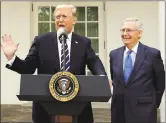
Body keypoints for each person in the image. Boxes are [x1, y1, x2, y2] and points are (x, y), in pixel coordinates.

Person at [1, 4, 107, 123]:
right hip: (46, 108)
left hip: (78, 106)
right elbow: (27, 68)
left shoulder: (83, 42)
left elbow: (94, 61)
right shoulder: (41, 41)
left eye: (64, 16)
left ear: (74, 20)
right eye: (57, 17)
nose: (60, 20)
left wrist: (103, 78)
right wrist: (11, 57)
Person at [109, 17, 165, 123]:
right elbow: (115, 80)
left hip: (144, 112)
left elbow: (160, 84)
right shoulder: (114, 54)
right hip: (119, 112)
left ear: (139, 33)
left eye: (129, 30)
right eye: (123, 30)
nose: (125, 33)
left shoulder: (153, 54)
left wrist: (152, 105)